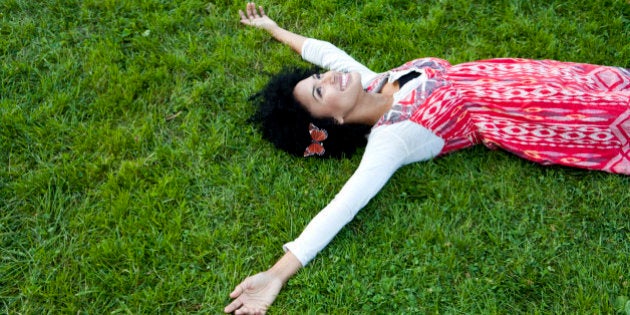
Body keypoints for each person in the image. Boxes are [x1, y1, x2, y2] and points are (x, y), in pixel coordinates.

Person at [225, 3, 630, 314]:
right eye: (318, 91)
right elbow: (341, 208)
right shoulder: (393, 139)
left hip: (513, 76)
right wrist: (276, 275)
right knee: (612, 113)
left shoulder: (369, 80)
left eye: (315, 77)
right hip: (522, 111)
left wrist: (274, 29)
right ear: (334, 120)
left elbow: (325, 52)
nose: (326, 78)